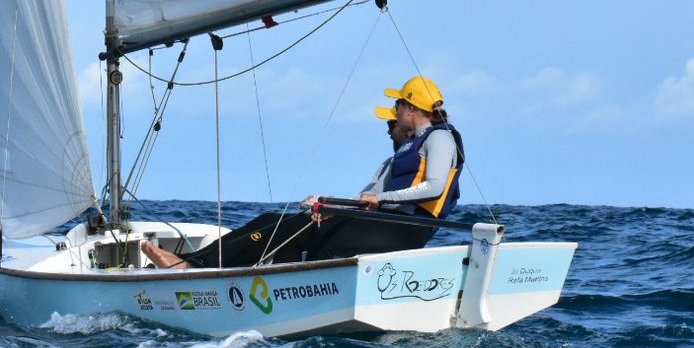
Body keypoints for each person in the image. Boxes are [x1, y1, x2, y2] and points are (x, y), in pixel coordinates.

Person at [141, 109, 424, 269]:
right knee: (273, 221)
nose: (388, 130)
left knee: (275, 225)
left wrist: (335, 211)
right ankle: (199, 263)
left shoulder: (408, 159)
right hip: (359, 220)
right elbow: (362, 201)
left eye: (392, 124)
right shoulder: (391, 162)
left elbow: (381, 203)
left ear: (408, 130)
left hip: (375, 227)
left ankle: (191, 266)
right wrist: (330, 208)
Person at [360, 75, 466, 222]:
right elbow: (374, 192)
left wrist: (381, 198)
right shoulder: (408, 145)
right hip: (388, 219)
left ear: (410, 108)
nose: (395, 112)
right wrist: (334, 207)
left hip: (411, 225)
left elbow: (435, 187)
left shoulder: (439, 137)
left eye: (398, 105)